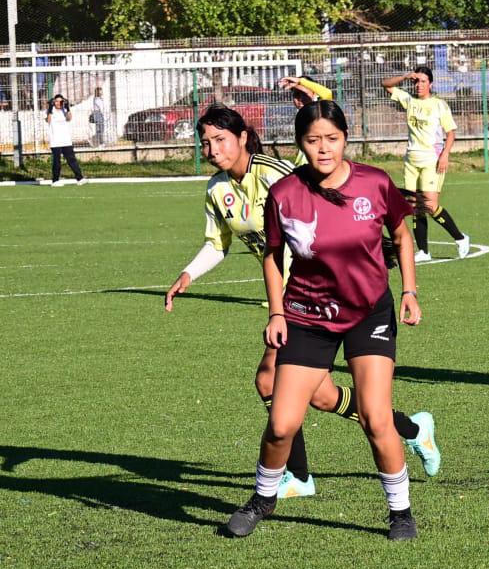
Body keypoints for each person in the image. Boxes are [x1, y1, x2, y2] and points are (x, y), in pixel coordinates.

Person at [163, 104, 440, 502]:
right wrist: (189, 274)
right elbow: (217, 243)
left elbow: (329, 207)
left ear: (242, 137)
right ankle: (412, 429)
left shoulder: (276, 175)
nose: (212, 149)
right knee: (320, 395)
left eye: (220, 139)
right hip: (294, 303)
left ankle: (301, 476)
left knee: (268, 380)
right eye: (205, 142)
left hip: (320, 299)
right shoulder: (217, 189)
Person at [224, 99, 424, 541]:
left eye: (331, 139)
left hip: (368, 312)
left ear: (345, 139)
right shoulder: (285, 194)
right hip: (307, 315)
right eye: (313, 141)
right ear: (301, 144)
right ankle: (263, 498)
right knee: (281, 424)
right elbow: (273, 257)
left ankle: (400, 512)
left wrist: (409, 290)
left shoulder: (374, 183)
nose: (323, 149)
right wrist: (277, 312)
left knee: (375, 418)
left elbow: (402, 235)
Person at [380, 67, 470, 261]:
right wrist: (405, 76)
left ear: (431, 84)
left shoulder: (439, 104)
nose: (419, 85)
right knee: (414, 206)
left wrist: (445, 154)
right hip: (411, 161)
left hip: (431, 160)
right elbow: (385, 84)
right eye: (416, 81)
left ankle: (460, 238)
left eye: (422, 81)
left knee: (429, 205)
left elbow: (451, 133)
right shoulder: (409, 100)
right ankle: (423, 251)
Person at [45, 94, 84, 185]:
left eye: (61, 101)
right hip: (55, 141)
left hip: (66, 140)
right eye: (57, 101)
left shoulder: (64, 110)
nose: (59, 103)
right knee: (57, 161)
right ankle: (55, 180)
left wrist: (68, 108)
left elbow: (69, 118)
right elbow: (48, 120)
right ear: (54, 102)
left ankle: (79, 178)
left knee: (72, 160)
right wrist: (50, 109)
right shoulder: (50, 111)